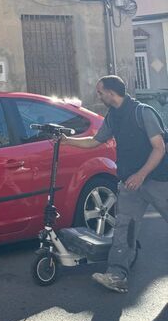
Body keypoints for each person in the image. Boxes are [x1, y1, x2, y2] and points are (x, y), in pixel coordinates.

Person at [62, 74, 168, 293]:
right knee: (123, 229)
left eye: (100, 92)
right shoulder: (113, 117)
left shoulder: (143, 112)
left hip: (158, 180)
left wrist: (141, 175)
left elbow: (159, 148)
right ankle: (117, 275)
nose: (98, 96)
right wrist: (66, 140)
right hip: (130, 183)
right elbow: (94, 141)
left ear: (111, 92)